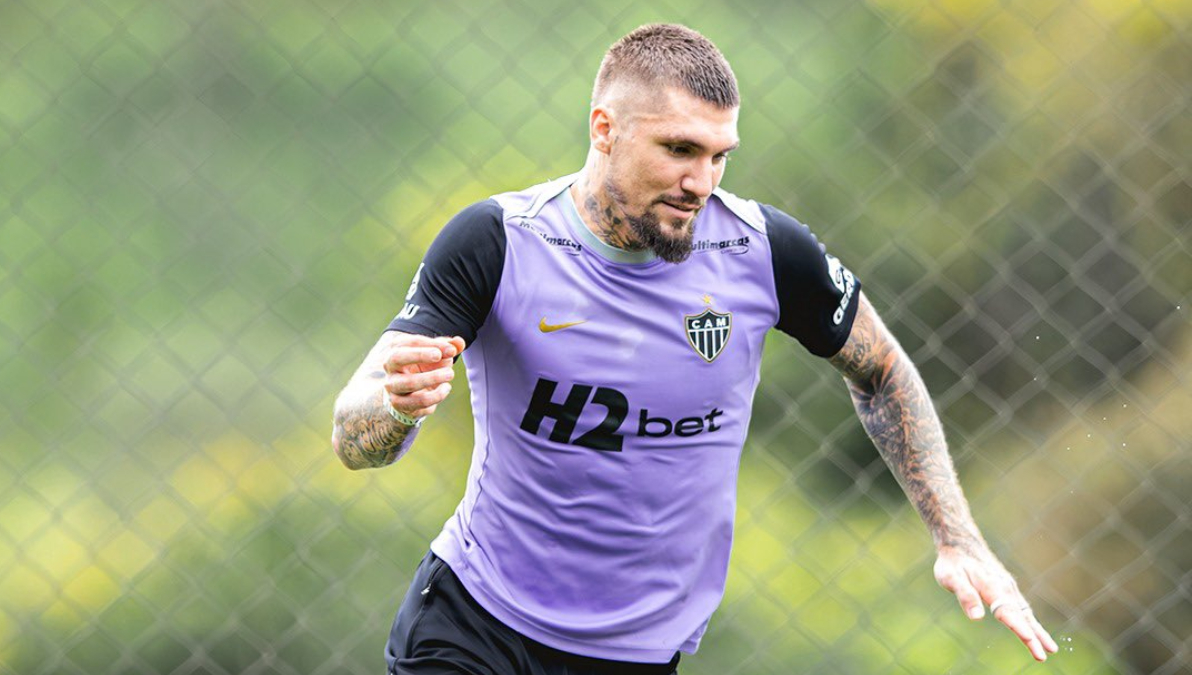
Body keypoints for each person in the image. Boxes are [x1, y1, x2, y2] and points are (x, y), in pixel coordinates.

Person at [331, 23, 1059, 674]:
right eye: (679, 149)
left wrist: (958, 538)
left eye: (719, 156)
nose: (700, 183)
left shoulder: (766, 252)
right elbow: (353, 436)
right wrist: (396, 407)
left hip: (640, 651)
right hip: (477, 626)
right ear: (603, 128)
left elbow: (883, 372)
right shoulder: (495, 242)